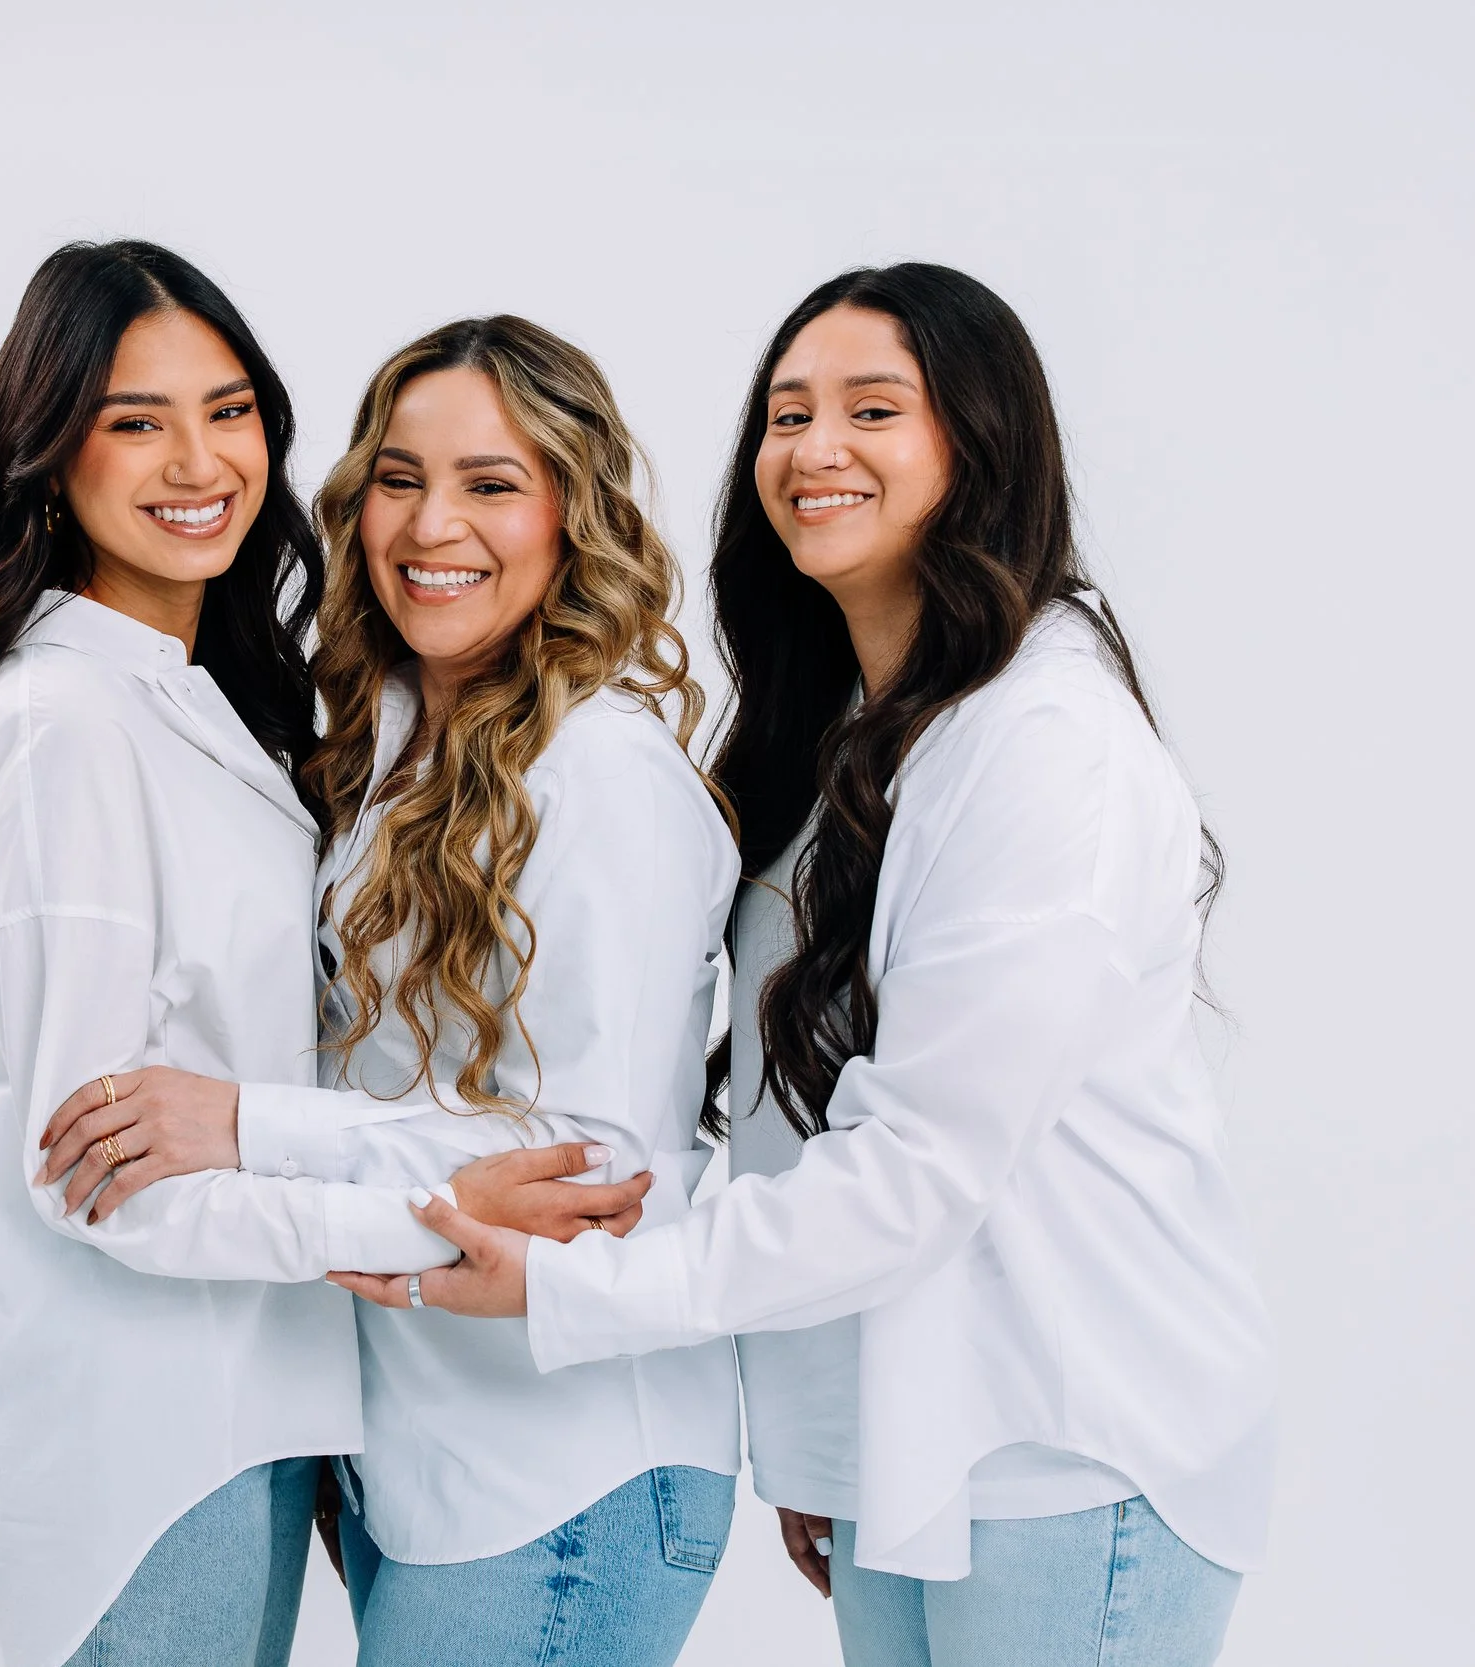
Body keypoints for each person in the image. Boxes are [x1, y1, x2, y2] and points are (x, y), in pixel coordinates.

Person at [335, 266, 1278, 1667]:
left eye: (872, 409)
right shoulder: (848, 738)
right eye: (786, 413)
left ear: (982, 447)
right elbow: (795, 1128)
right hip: (923, 1453)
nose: (813, 448)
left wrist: (569, 1289)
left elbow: (918, 1168)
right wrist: (833, 1433)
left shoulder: (1046, 746)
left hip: (1075, 1460)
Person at [0, 245, 647, 1667]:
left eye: (229, 409)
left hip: (244, 1425)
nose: (198, 459)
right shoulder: (65, 727)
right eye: (135, 420)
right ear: (47, 454)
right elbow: (96, 1182)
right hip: (146, 1444)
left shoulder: (193, 707)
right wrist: (431, 1219)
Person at [41, 315, 742, 1667]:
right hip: (414, 1464)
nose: (435, 526)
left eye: (492, 483)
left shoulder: (607, 777)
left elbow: (589, 1166)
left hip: (562, 1478)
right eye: (401, 480)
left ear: (571, 516)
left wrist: (238, 1124)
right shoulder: (387, 746)